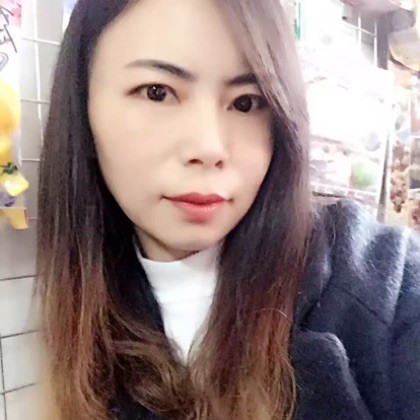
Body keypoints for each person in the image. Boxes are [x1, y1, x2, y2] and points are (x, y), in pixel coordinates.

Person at [36, 0, 420, 419]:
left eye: (246, 102)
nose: (209, 147)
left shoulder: (379, 289)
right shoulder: (88, 312)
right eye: (157, 92)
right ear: (83, 107)